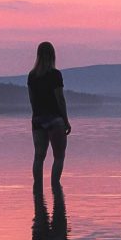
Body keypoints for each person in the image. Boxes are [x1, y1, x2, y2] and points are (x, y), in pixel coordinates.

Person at [27, 40, 71, 191]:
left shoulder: (32, 76)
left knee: (39, 156)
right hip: (55, 120)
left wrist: (35, 116)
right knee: (59, 156)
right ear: (53, 55)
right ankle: (55, 188)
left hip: (38, 119)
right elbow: (60, 98)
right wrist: (66, 120)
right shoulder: (55, 75)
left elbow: (32, 100)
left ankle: (38, 191)